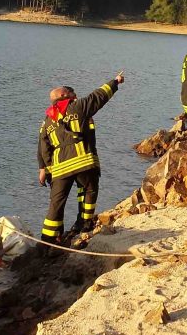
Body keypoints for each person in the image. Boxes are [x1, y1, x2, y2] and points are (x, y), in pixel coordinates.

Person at [38, 72, 124, 246]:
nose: (75, 95)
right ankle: (84, 225)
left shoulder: (47, 120)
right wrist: (115, 82)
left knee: (56, 203)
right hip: (84, 162)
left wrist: (44, 169)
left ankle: (48, 240)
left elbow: (43, 147)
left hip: (60, 168)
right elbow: (99, 96)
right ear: (63, 96)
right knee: (88, 192)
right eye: (71, 93)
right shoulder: (78, 106)